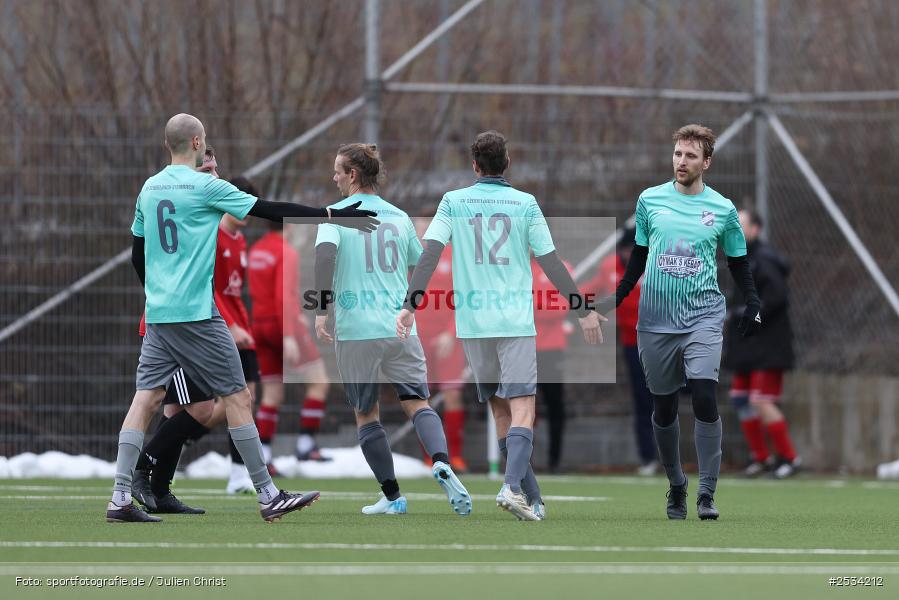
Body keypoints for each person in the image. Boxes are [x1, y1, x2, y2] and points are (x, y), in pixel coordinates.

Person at [107, 113, 377, 523]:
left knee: (145, 400)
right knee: (237, 396)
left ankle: (120, 497)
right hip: (197, 314)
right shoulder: (206, 187)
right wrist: (331, 214)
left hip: (160, 313)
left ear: (168, 145)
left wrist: (156, 294)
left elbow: (136, 254)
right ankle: (267, 493)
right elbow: (270, 209)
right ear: (197, 142)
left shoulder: (149, 188)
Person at [397, 130, 605, 521]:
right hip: (512, 320)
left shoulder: (452, 201)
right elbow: (551, 262)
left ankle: (534, 498)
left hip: (474, 323)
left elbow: (429, 255)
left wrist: (411, 305)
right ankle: (511, 487)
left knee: (501, 413)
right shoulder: (525, 203)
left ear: (474, 166)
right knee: (524, 406)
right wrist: (582, 308)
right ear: (507, 164)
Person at [601, 124, 761, 521]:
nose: (681, 162)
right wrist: (617, 296)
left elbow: (739, 262)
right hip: (655, 320)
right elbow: (638, 256)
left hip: (703, 317)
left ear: (706, 162)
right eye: (677, 154)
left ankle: (707, 493)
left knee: (705, 397)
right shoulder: (649, 201)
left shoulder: (722, 209)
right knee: (664, 408)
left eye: (690, 156)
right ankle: (676, 484)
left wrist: (753, 301)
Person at [313, 143, 470, 516]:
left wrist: (320, 310)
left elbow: (323, 257)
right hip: (400, 329)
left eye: (338, 170)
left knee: (367, 415)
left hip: (357, 331)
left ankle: (393, 496)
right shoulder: (399, 217)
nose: (334, 176)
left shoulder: (335, 216)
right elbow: (422, 265)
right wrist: (409, 307)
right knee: (418, 403)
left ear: (353, 175)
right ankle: (442, 459)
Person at [131, 149, 263, 509]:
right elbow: (197, 281)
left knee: (194, 409)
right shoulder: (205, 225)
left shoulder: (233, 236)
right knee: (174, 405)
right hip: (181, 325)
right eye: (208, 166)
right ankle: (135, 477)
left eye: (217, 167)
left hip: (201, 324)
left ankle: (156, 488)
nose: (214, 172)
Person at [249, 220, 332, 470]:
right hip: (282, 327)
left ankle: (264, 455)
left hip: (260, 325)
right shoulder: (287, 251)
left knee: (272, 393)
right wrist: (289, 333)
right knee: (319, 382)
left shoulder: (257, 250)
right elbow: (283, 295)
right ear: (290, 226)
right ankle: (306, 445)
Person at [724, 208, 800, 479]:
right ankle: (761, 458)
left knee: (760, 400)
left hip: (768, 346)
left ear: (755, 230)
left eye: (741, 224)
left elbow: (776, 299)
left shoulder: (764, 261)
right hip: (747, 347)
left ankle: (790, 459)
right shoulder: (741, 259)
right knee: (741, 399)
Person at [583, 227, 658, 475]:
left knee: (667, 396)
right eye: (627, 250)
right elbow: (589, 291)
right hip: (631, 343)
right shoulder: (610, 267)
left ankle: (669, 454)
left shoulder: (656, 263)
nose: (630, 254)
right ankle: (649, 457)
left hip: (661, 341)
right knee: (642, 400)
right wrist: (573, 303)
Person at [412, 214, 468, 472]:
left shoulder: (452, 254)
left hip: (446, 338)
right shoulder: (406, 255)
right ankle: (430, 457)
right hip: (416, 336)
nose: (422, 229)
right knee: (421, 397)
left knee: (453, 394)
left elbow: (466, 295)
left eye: (426, 224)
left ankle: (454, 456)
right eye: (417, 225)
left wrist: (452, 331)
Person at [531, 253, 575, 473]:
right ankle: (524, 461)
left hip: (552, 348)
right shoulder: (518, 267)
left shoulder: (561, 267)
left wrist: (533, 304)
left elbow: (562, 306)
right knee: (523, 404)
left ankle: (554, 461)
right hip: (524, 347)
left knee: (555, 405)